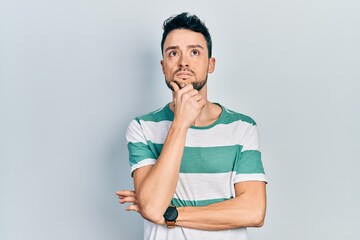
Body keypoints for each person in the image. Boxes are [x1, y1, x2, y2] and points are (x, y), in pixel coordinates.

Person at [116, 12, 267, 240]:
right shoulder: (142, 128)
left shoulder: (242, 128)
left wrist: (170, 214)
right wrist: (180, 124)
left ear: (211, 64)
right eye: (173, 53)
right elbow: (151, 207)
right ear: (163, 65)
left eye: (194, 52)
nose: (183, 61)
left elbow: (253, 212)